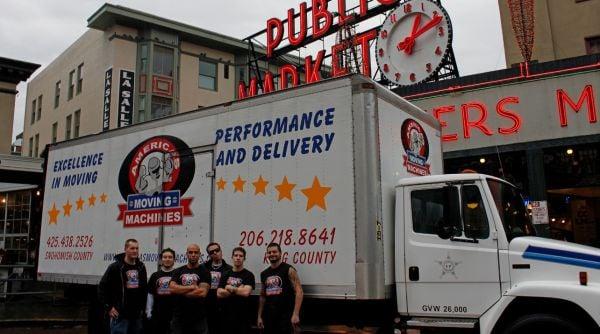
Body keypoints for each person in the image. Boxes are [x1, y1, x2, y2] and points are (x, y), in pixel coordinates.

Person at [99, 239, 148, 334]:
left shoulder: (141, 267)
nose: (135, 251)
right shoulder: (115, 267)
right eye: (132, 248)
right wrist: (109, 307)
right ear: (125, 249)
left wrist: (143, 309)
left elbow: (144, 289)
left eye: (137, 248)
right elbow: (102, 288)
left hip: (136, 316)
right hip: (120, 315)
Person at [257, 242, 304, 334]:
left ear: (280, 253)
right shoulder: (264, 274)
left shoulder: (289, 270)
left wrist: (296, 314)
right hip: (269, 317)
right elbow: (262, 296)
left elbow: (299, 292)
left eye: (274, 252)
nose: (272, 254)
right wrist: (259, 316)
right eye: (269, 252)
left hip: (286, 317)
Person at [168, 244, 211, 334]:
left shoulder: (205, 272)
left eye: (196, 252)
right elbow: (172, 288)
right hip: (179, 317)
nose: (193, 254)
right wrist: (191, 287)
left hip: (198, 318)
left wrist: (179, 290)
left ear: (200, 254)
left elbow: (202, 293)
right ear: (186, 254)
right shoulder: (178, 271)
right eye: (190, 252)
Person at [217, 247, 255, 334]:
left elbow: (246, 293)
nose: (238, 257)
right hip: (226, 316)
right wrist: (238, 289)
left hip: (243, 317)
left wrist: (229, 288)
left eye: (241, 256)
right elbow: (219, 293)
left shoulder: (249, 275)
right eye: (236, 255)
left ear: (244, 258)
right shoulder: (225, 274)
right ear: (232, 257)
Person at [146, 248, 176, 334]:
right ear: (161, 259)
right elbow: (150, 295)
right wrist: (148, 311)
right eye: (165, 257)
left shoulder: (178, 274)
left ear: (174, 259)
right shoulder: (155, 275)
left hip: (174, 315)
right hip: (157, 314)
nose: (167, 259)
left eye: (170, 257)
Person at [204, 242, 232, 334]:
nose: (215, 253)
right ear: (209, 255)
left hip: (224, 308)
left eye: (217, 250)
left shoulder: (229, 269)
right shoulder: (203, 268)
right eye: (212, 252)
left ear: (221, 251)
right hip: (207, 308)